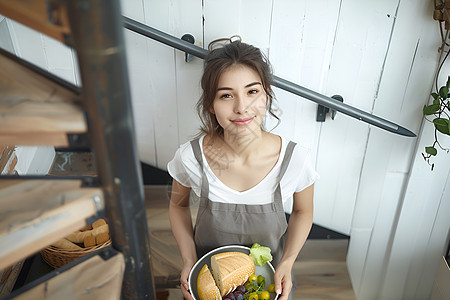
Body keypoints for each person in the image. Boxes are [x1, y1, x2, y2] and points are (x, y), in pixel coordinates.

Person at [168, 36, 319, 300]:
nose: (241, 108)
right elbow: (177, 205)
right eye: (227, 95)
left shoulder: (295, 159)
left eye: (252, 91)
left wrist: (288, 261)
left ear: (266, 94)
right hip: (206, 285)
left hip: (267, 286)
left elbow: (303, 210)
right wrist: (188, 259)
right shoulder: (190, 157)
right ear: (211, 105)